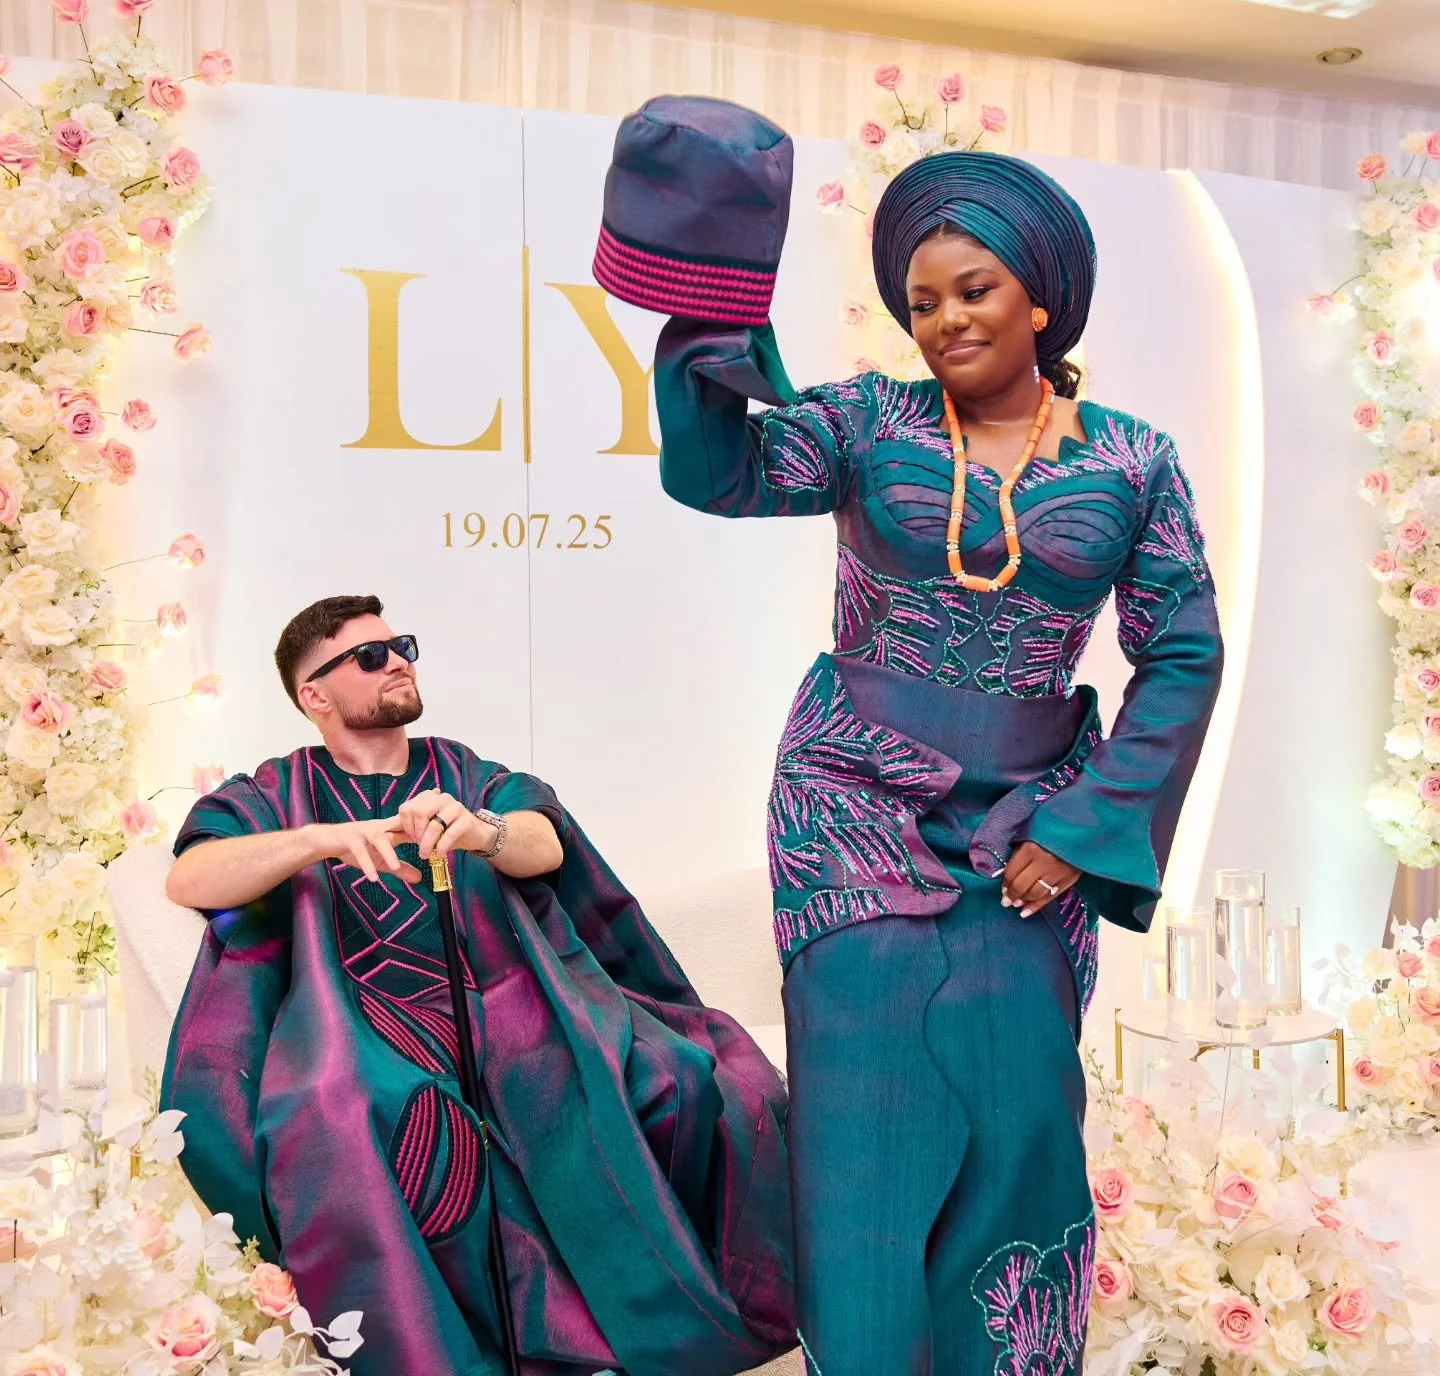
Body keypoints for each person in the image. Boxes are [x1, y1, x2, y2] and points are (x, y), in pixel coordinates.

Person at [593, 99, 1223, 1374]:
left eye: (973, 289)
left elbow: (1184, 653)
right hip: (851, 800)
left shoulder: (1136, 460)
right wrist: (704, 312)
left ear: (1040, 297)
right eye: (922, 302)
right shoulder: (868, 423)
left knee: (1021, 1105)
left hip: (1031, 820)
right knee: (864, 1118)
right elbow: (721, 474)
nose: (945, 322)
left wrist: (1082, 824)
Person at [161, 594, 796, 1376]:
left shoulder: (461, 771)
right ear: (313, 696)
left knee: (690, 1081)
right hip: (358, 1019)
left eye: (401, 646)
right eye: (369, 655)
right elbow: (192, 876)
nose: (397, 660)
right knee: (354, 1112)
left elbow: (544, 841)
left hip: (511, 1001)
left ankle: (642, 1328)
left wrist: (481, 830)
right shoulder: (274, 792)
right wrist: (318, 841)